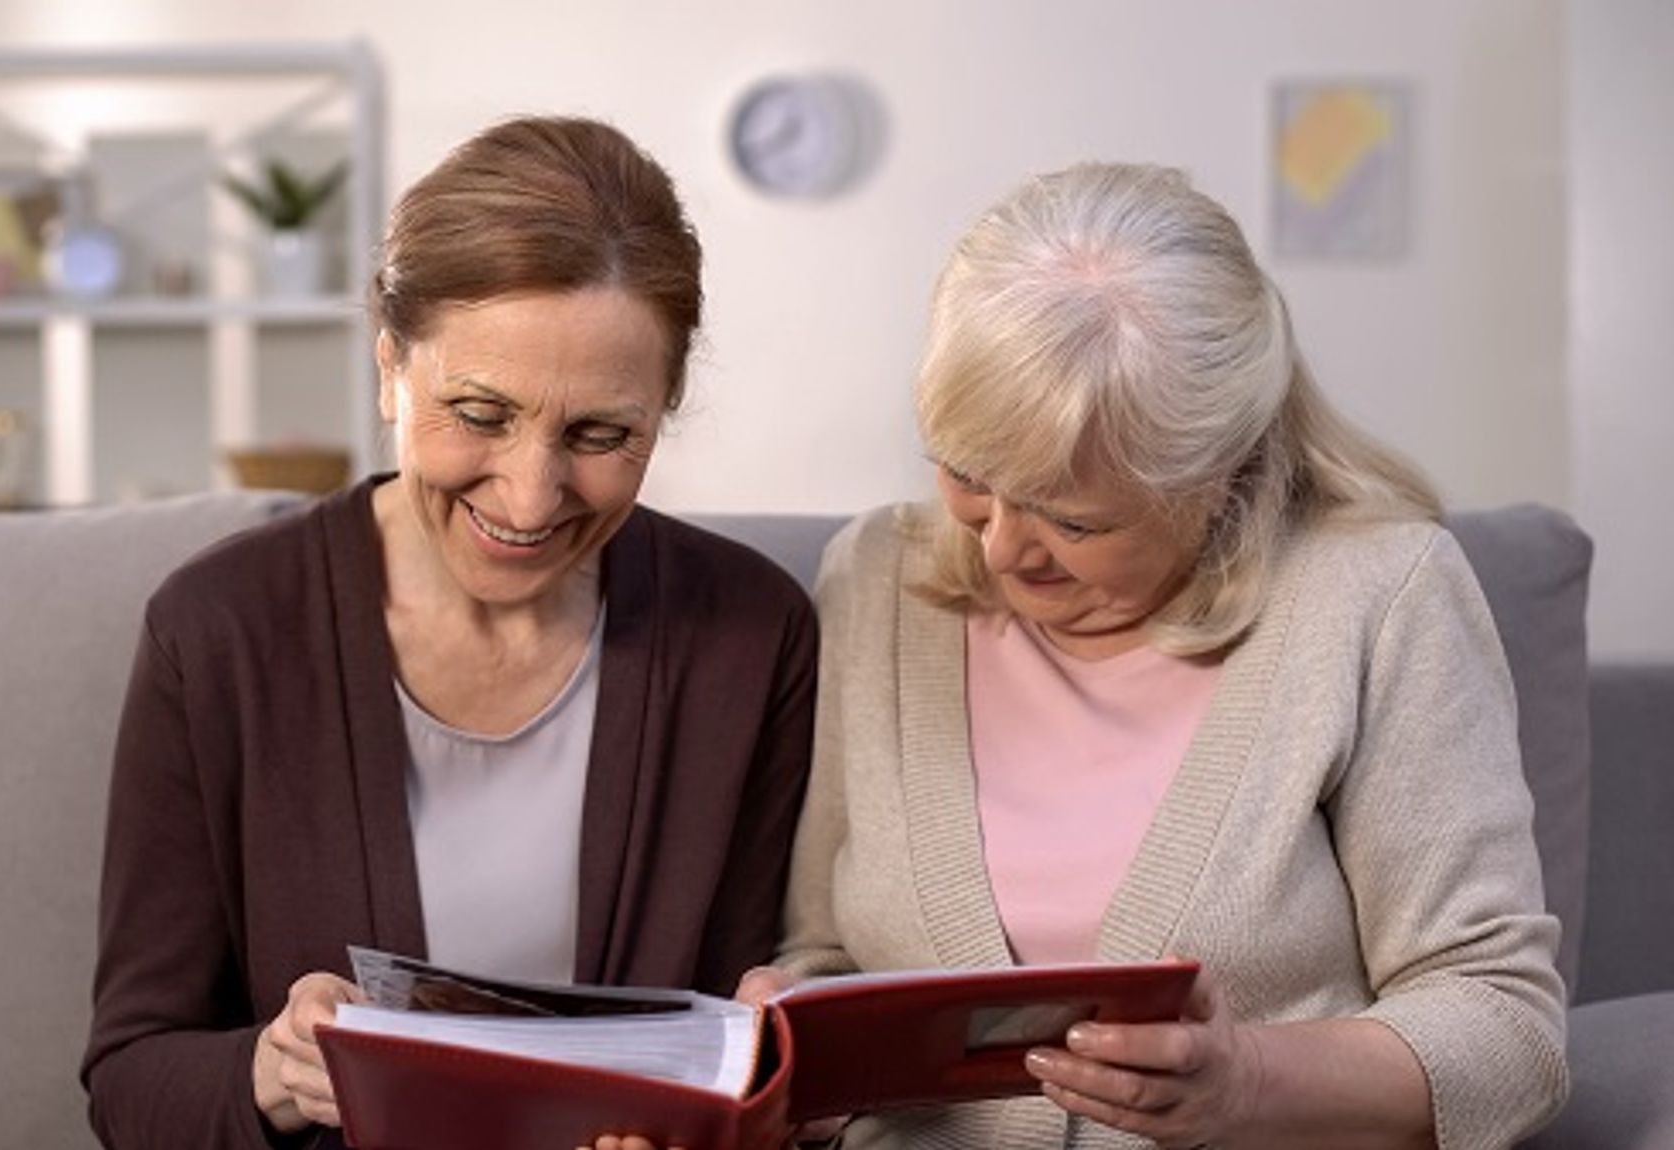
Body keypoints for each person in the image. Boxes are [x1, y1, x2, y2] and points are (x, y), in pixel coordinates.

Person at [748, 162, 1568, 1149]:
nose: (1000, 544)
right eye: (967, 476)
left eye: (1070, 516)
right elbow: (828, 952)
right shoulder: (874, 577)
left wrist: (1247, 1083)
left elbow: (1507, 1028)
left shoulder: (1376, 594)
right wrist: (794, 1055)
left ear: (1213, 476)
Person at [81, 116, 819, 1148]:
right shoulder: (219, 632)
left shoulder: (751, 634)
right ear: (390, 367)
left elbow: (742, 1035)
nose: (529, 498)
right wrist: (275, 1070)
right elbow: (129, 1080)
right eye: (477, 413)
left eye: (601, 434)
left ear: (665, 406)